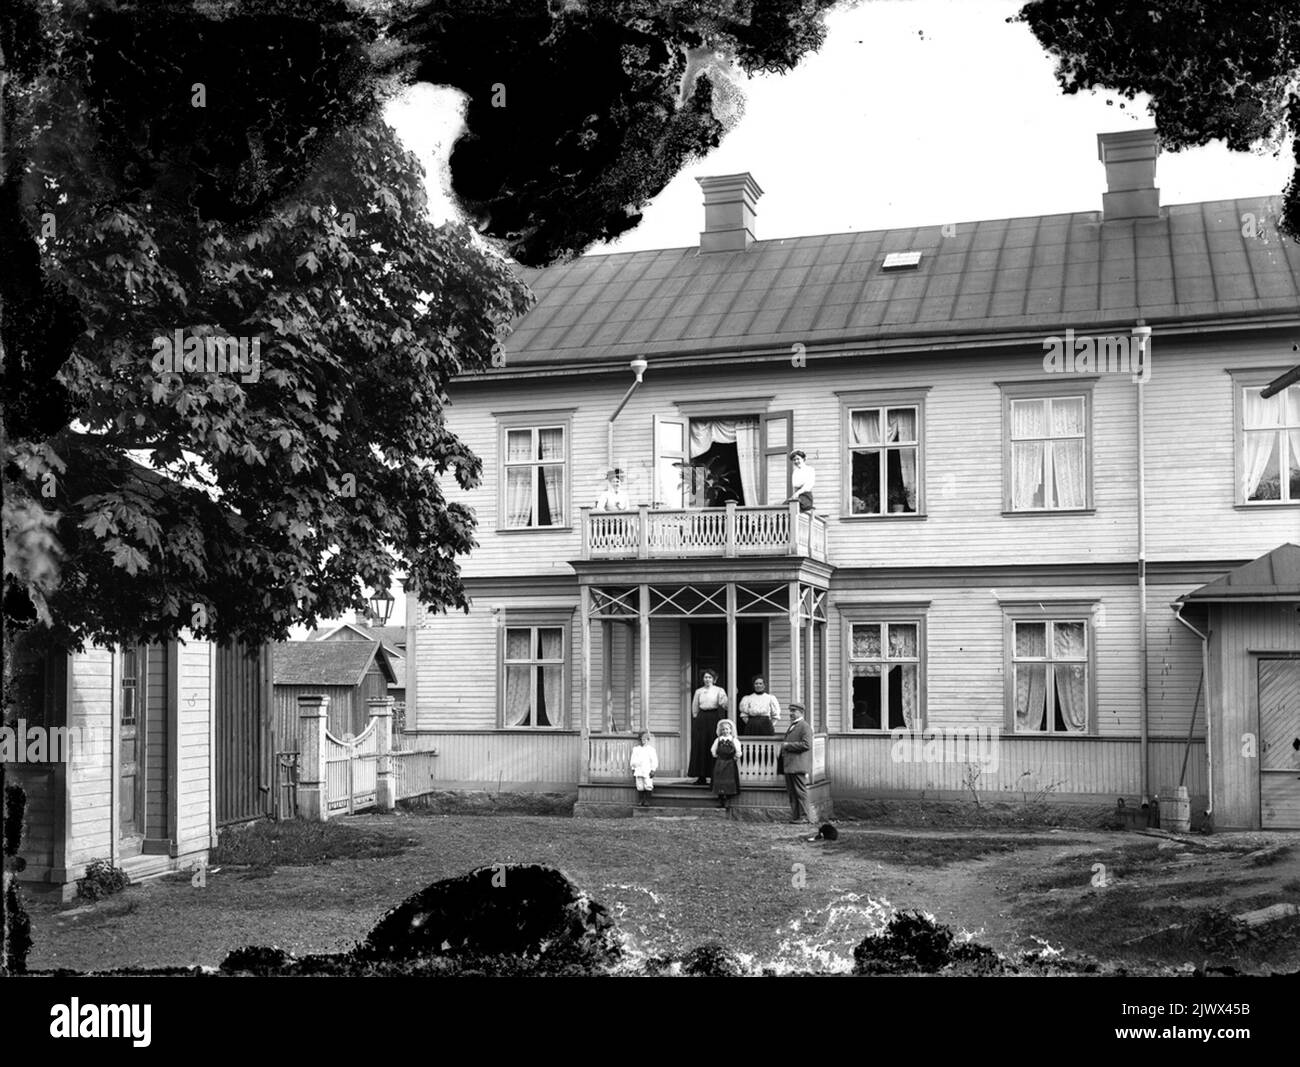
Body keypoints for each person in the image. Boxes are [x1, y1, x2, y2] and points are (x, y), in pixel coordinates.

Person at [688, 669, 728, 784]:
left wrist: (729, 697)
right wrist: (697, 720)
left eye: (710, 677)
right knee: (701, 745)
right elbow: (695, 708)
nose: (707, 679)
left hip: (713, 718)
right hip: (701, 719)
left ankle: (714, 775)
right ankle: (701, 776)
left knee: (713, 744)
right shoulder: (698, 691)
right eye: (705, 677)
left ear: (714, 679)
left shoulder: (719, 690)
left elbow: (725, 704)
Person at [780, 701, 814, 824]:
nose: (791, 713)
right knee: (792, 793)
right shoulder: (793, 726)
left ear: (801, 712)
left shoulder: (804, 726)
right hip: (790, 765)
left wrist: (788, 745)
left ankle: (804, 816)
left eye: (794, 711)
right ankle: (796, 816)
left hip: (798, 765)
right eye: (790, 711)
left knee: (800, 792)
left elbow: (807, 745)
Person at [710, 719, 742, 810]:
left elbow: (738, 750)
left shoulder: (733, 740)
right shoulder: (718, 739)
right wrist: (716, 755)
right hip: (720, 762)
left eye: (727, 729)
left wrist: (736, 756)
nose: (725, 731)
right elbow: (713, 749)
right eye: (723, 729)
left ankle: (727, 800)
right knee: (720, 780)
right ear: (720, 730)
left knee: (729, 780)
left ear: (731, 730)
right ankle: (721, 799)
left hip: (730, 763)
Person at [629, 730, 658, 807]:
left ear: (648, 740)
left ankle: (647, 800)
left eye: (645, 739)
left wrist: (653, 770)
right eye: (642, 739)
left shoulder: (651, 749)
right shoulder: (636, 749)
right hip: (638, 769)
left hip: (647, 770)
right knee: (640, 785)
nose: (643, 741)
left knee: (648, 784)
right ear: (639, 740)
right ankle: (641, 800)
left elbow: (654, 760)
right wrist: (633, 767)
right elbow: (633, 760)